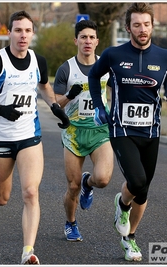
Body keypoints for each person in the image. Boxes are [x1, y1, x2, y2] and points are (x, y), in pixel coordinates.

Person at [0, 10, 69, 265]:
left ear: (33, 33)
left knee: (31, 193)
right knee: (2, 197)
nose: (23, 36)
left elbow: (43, 85)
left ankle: (27, 252)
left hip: (30, 135)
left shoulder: (38, 60)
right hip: (1, 138)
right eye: (18, 30)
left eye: (27, 31)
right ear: (8, 33)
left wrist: (54, 106)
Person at [88, 2, 167, 262]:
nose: (142, 29)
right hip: (121, 129)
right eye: (136, 25)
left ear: (152, 26)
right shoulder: (112, 54)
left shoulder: (165, 57)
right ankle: (121, 205)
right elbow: (93, 77)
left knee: (143, 192)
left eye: (146, 24)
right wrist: (100, 106)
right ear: (128, 28)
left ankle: (129, 238)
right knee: (137, 180)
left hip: (151, 132)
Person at [53, 19, 114, 242]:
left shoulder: (106, 67)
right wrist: (70, 95)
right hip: (74, 133)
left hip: (100, 130)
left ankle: (90, 183)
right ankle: (70, 223)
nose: (87, 41)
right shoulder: (66, 68)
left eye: (91, 37)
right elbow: (55, 104)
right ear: (76, 40)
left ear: (97, 42)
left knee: (104, 179)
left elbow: (117, 92)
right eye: (83, 37)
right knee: (72, 186)